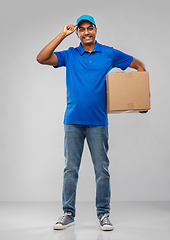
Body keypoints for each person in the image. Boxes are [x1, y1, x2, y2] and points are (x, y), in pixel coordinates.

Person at [36, 14, 146, 231]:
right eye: (82, 29)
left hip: (98, 122)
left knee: (102, 170)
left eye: (90, 28)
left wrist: (142, 96)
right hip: (73, 121)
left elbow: (139, 66)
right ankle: (68, 214)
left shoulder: (109, 53)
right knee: (70, 169)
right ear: (77, 33)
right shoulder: (70, 55)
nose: (86, 32)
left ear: (96, 30)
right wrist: (62, 34)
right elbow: (41, 58)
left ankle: (104, 215)